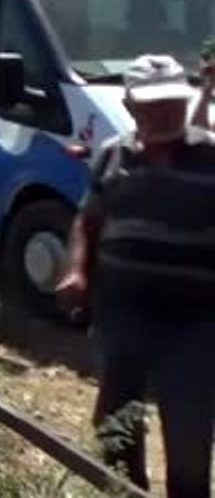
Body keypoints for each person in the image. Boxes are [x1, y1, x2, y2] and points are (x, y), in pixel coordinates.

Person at [56, 54, 215, 498]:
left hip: (195, 321)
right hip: (120, 312)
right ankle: (125, 491)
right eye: (154, 104)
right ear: (130, 105)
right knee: (115, 421)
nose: (167, 112)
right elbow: (87, 221)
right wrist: (77, 272)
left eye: (174, 103)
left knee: (188, 428)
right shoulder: (112, 154)